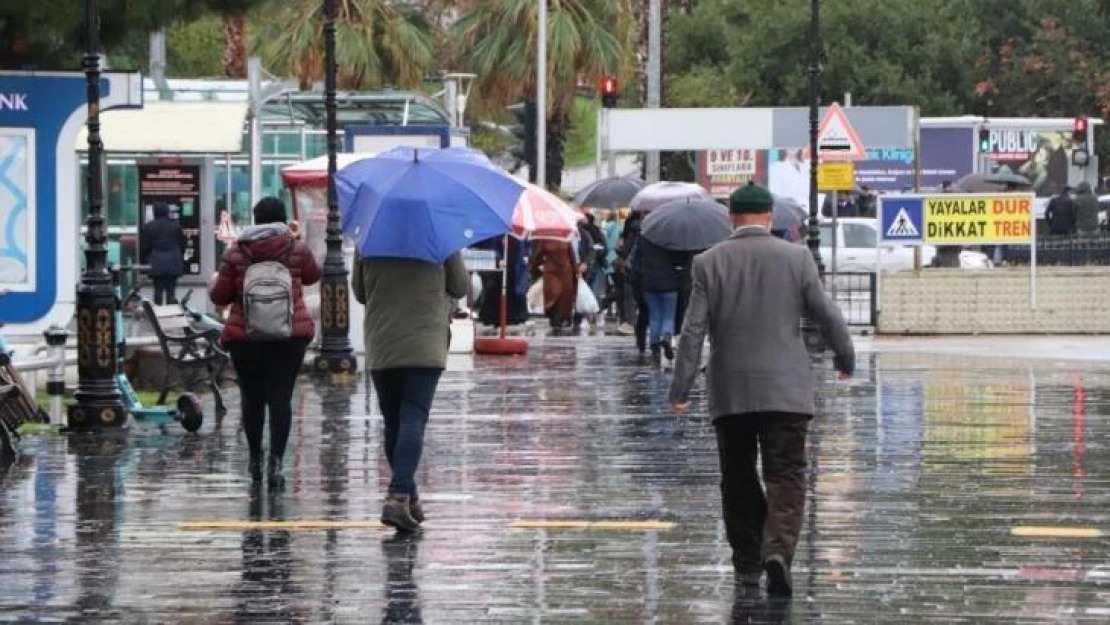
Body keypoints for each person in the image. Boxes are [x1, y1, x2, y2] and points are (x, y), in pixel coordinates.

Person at [669, 182, 854, 597]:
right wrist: (846, 359)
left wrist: (680, 389)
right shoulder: (797, 258)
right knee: (786, 473)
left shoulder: (708, 262)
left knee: (737, 477)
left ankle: (748, 564)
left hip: (731, 392)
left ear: (731, 217)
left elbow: (692, 331)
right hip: (787, 392)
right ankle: (778, 551)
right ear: (769, 218)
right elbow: (828, 314)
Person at [353, 247, 468, 532]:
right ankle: (398, 495)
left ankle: (409, 499)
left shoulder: (370, 234)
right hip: (425, 341)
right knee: (412, 419)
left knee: (394, 423)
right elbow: (459, 285)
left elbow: (360, 292)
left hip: (383, 342)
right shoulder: (439, 233)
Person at [209, 197, 320, 489]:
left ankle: (255, 460)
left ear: (256, 220)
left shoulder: (236, 252)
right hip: (289, 336)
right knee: (281, 399)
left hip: (245, 337)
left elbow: (219, 297)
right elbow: (313, 276)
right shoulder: (296, 248)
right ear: (282, 219)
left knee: (252, 398)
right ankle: (276, 464)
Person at [632, 235, 683, 364]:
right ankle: (666, 337)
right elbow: (678, 261)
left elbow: (635, 262)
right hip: (670, 283)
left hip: (649, 283)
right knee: (668, 316)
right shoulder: (671, 241)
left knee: (654, 316)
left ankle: (654, 345)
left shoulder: (643, 241)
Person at [141, 202, 185, 305]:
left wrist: (145, 261)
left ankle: (157, 315)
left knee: (158, 290)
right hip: (173, 263)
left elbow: (146, 247)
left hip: (156, 264)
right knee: (171, 292)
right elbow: (182, 244)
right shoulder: (175, 225)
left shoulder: (149, 226)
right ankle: (170, 316)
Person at [530, 239, 578, 332]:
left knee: (564, 296)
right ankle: (554, 318)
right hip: (551, 271)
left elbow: (571, 255)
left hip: (565, 271)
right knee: (554, 292)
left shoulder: (566, 239)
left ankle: (560, 319)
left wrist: (575, 270)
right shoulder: (544, 240)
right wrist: (535, 267)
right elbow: (538, 255)